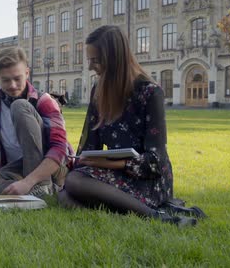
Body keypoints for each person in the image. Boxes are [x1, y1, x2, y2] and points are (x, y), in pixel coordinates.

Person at [58, 25, 196, 226]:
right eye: (89, 60)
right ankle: (133, 211)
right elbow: (88, 146)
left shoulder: (150, 93)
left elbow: (155, 161)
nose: (90, 67)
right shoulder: (98, 90)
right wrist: (77, 165)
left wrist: (108, 165)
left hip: (147, 179)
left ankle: (159, 218)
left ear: (114, 58)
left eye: (95, 60)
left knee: (75, 183)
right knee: (65, 194)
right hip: (115, 175)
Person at [0, 47, 71, 198]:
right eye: (6, 80)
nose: (12, 85)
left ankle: (42, 186)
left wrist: (29, 181)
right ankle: (33, 191)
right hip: (17, 166)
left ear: (27, 73)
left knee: (19, 106)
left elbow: (59, 150)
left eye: (17, 78)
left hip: (48, 167)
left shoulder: (44, 101)